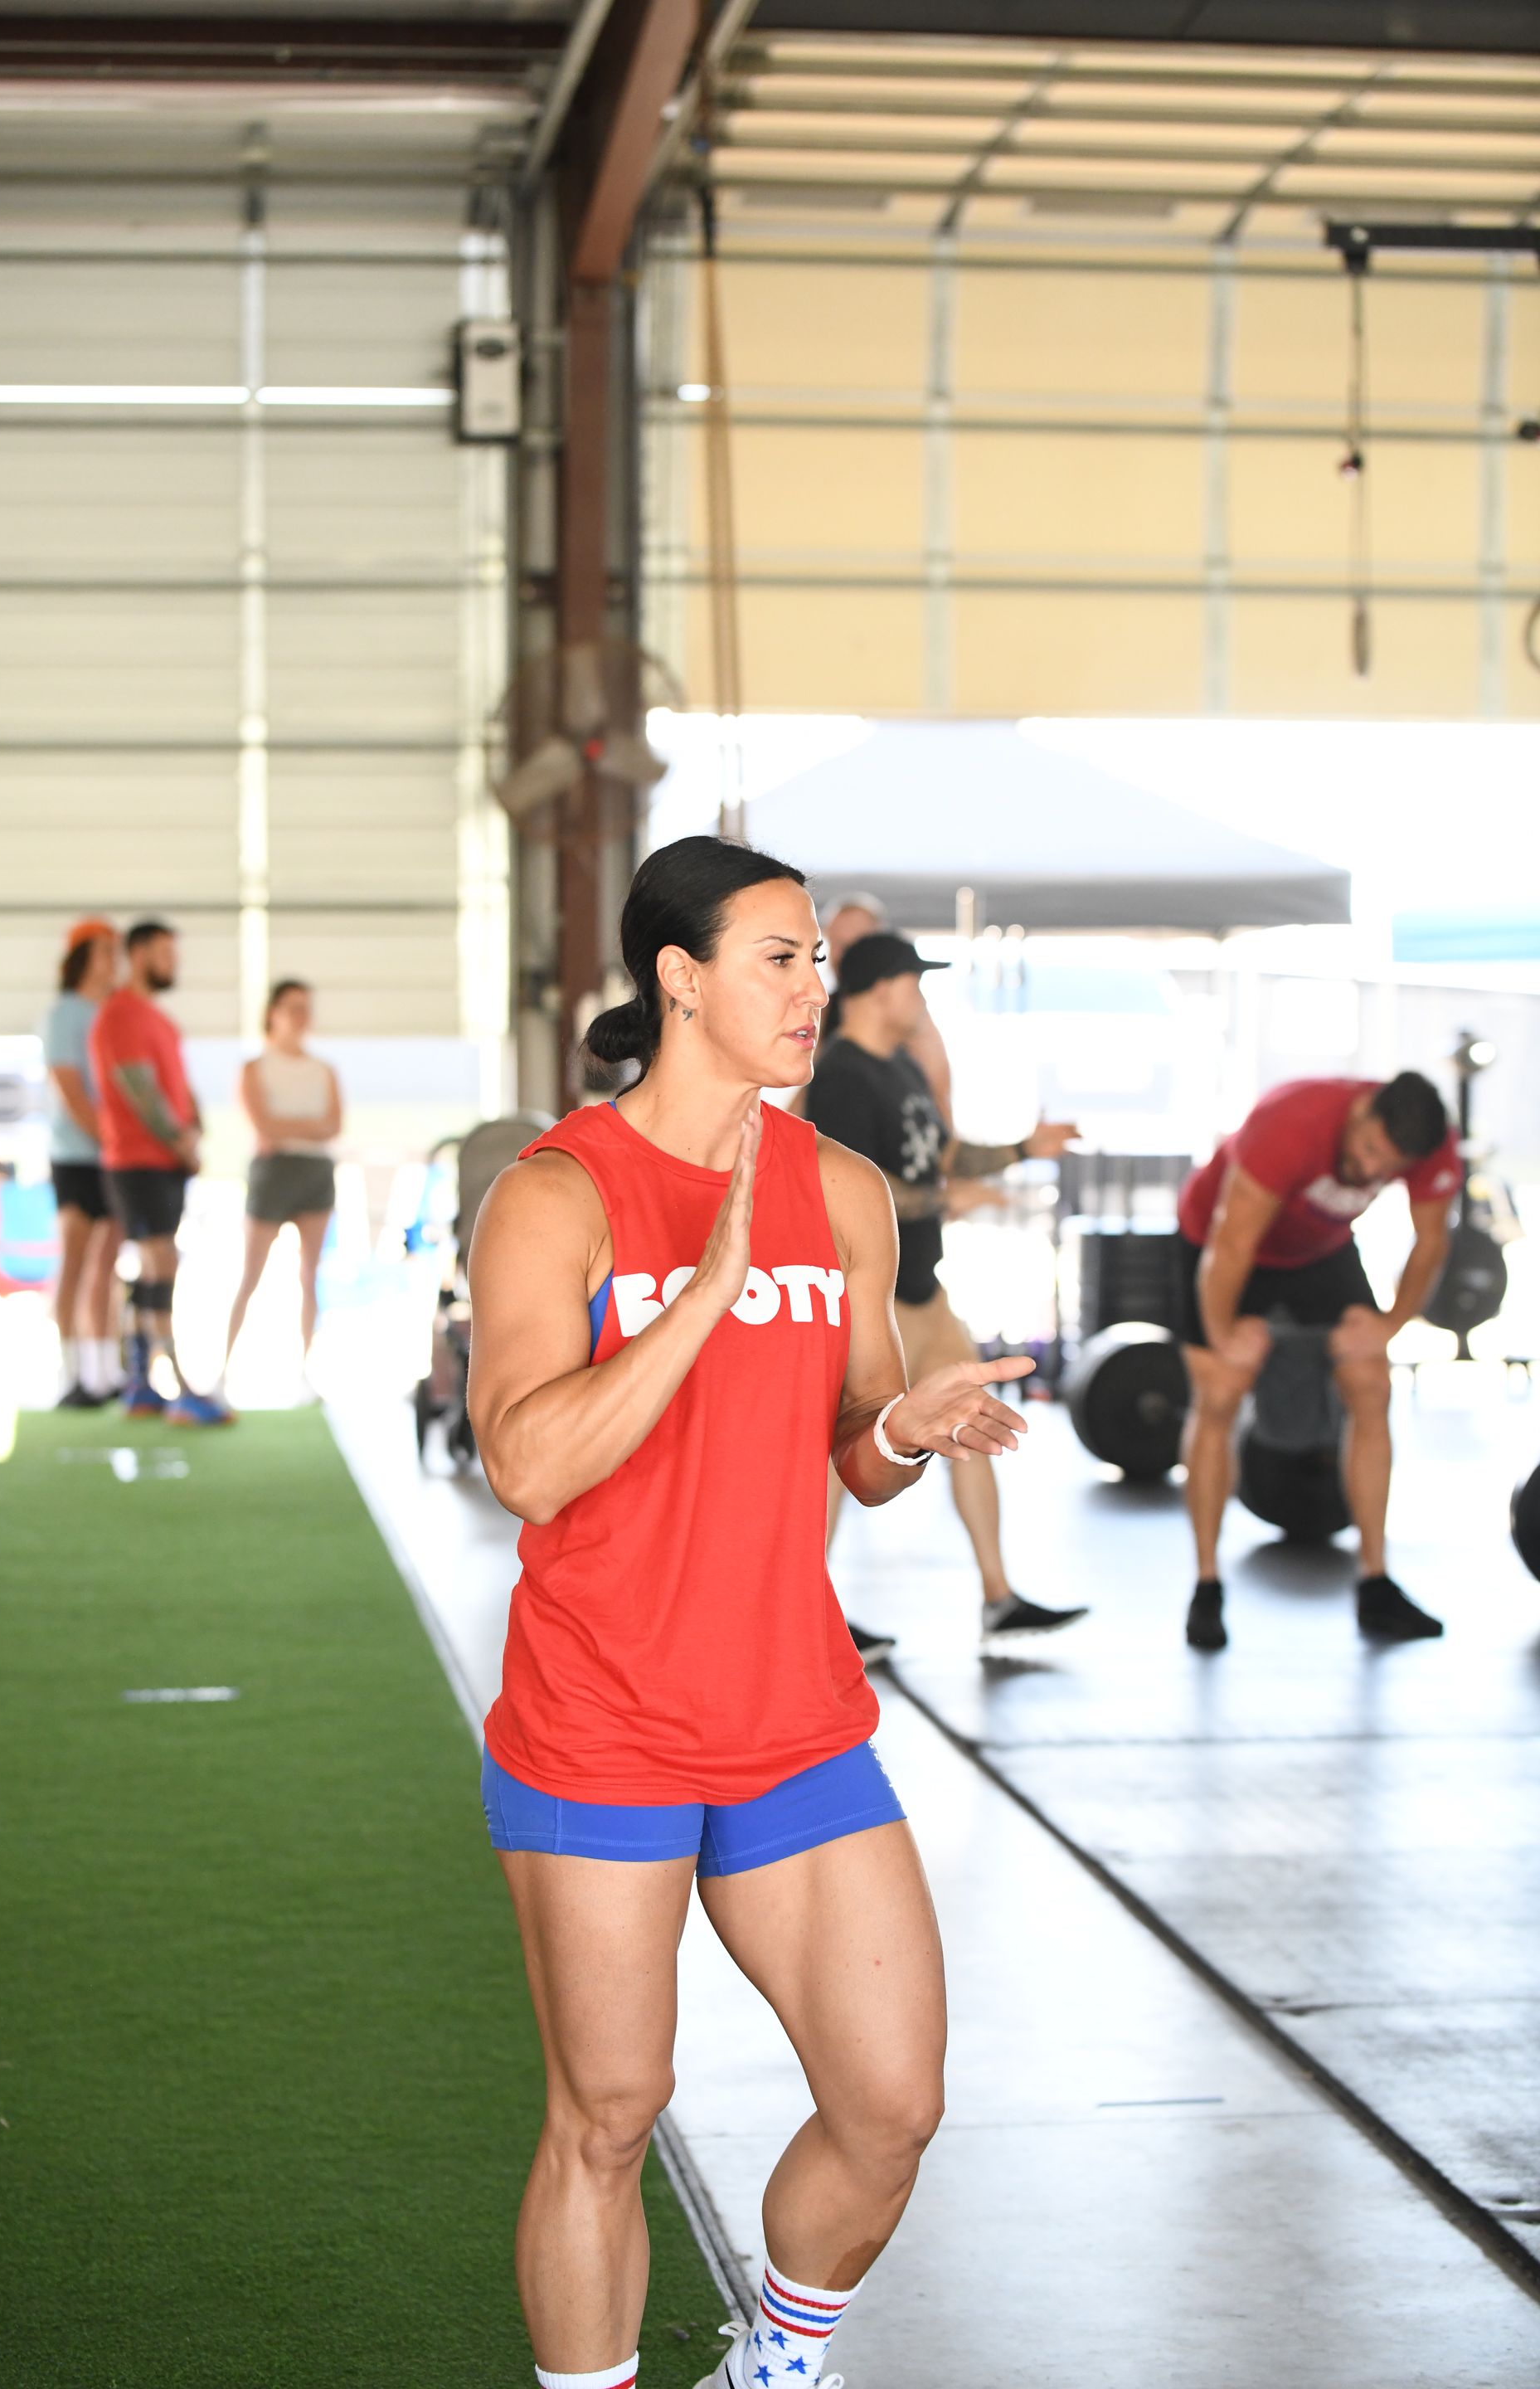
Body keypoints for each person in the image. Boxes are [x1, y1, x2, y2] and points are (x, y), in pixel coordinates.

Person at [466, 835, 1032, 2389]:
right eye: (779, 956)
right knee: (608, 2112)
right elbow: (524, 1462)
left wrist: (906, 1432)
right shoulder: (556, 1193)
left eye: (816, 961)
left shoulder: (843, 1192)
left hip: (789, 1716)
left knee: (891, 2104)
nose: (813, 986)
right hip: (601, 1722)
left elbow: (855, 1451)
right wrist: (700, 1297)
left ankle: (775, 2364)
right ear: (683, 977)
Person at [805, 930, 1086, 1650]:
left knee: (976, 1422)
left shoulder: (900, 1067)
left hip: (922, 1289)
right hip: (872, 1296)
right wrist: (950, 1199)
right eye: (916, 983)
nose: (923, 998)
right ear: (884, 989)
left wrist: (1024, 1149)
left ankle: (998, 1595)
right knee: (843, 1451)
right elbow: (855, 1193)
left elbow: (943, 1154)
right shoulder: (839, 1075)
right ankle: (806, 1611)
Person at [1173, 1070, 1460, 1651]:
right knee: (1222, 1391)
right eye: (1371, 1151)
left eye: (1391, 1167)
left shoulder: (1429, 1142)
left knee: (1370, 1382)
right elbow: (1232, 1241)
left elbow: (1430, 1242)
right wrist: (1226, 1334)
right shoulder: (1293, 1123)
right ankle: (1207, 1586)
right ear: (1361, 1113)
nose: (1376, 1172)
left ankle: (1375, 1585)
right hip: (1217, 1242)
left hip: (1319, 1248)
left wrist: (1388, 1326)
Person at [89, 917, 234, 1427]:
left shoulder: (160, 1022)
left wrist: (194, 1133)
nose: (174, 964)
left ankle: (143, 1386)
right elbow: (139, 1088)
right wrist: (179, 1141)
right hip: (138, 1161)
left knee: (153, 1270)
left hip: (166, 1161)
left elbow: (180, 1090)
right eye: (166, 953)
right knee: (159, 1266)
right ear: (140, 953)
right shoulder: (120, 1015)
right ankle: (178, 1388)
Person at [220, 978, 341, 1397]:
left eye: (305, 1007)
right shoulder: (254, 1068)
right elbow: (264, 1126)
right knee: (250, 1274)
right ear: (273, 1013)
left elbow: (333, 1127)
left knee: (311, 1275)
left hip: (315, 1173)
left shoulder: (324, 1071)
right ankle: (223, 1371)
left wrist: (292, 1129)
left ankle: (306, 1370)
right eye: (292, 1007)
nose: (300, 1016)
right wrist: (305, 1128)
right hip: (272, 1174)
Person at [41, 917, 124, 1406]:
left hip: (114, 1156)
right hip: (75, 1155)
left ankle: (103, 1371)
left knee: (107, 1264)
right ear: (83, 958)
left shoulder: (116, 1012)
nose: (113, 962)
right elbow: (70, 1087)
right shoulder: (64, 1014)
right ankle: (70, 1372)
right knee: (75, 1256)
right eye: (105, 952)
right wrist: (106, 1138)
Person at [820, 892, 952, 1125]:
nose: (844, 956)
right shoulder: (823, 1010)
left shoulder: (913, 1017)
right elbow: (809, 1094)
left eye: (854, 944)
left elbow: (940, 1101)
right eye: (836, 944)